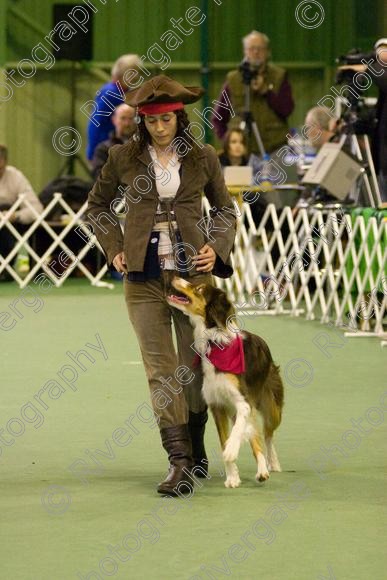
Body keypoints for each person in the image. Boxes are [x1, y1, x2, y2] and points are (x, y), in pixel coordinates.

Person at [87, 75, 236, 496]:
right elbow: (97, 206)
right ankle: (179, 462)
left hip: (193, 280)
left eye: (166, 120)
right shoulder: (122, 157)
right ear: (142, 121)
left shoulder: (204, 157)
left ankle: (197, 443)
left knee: (194, 367)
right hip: (142, 277)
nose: (159, 128)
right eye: (151, 121)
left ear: (179, 118)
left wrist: (215, 246)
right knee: (161, 371)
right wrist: (114, 246)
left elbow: (225, 210)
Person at [212, 30, 294, 155]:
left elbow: (287, 110)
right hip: (243, 153)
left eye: (260, 49)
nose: (256, 52)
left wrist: (266, 92)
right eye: (251, 48)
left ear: (267, 52)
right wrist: (229, 143)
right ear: (245, 51)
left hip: (275, 149)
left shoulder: (279, 76)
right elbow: (218, 118)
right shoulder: (233, 79)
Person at [86, 54, 141, 161]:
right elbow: (96, 123)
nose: (137, 77)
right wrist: (95, 152)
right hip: (104, 151)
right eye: (135, 73)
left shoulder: (116, 91)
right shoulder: (112, 93)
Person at [0, 145, 43, 270]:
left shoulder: (16, 177)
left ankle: (5, 267)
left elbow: (36, 208)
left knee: (6, 209)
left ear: (5, 162)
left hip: (10, 226)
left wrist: (16, 216)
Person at [90, 103, 136, 180]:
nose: (127, 124)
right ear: (114, 120)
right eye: (123, 118)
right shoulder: (103, 149)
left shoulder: (144, 146)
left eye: (131, 119)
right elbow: (99, 178)